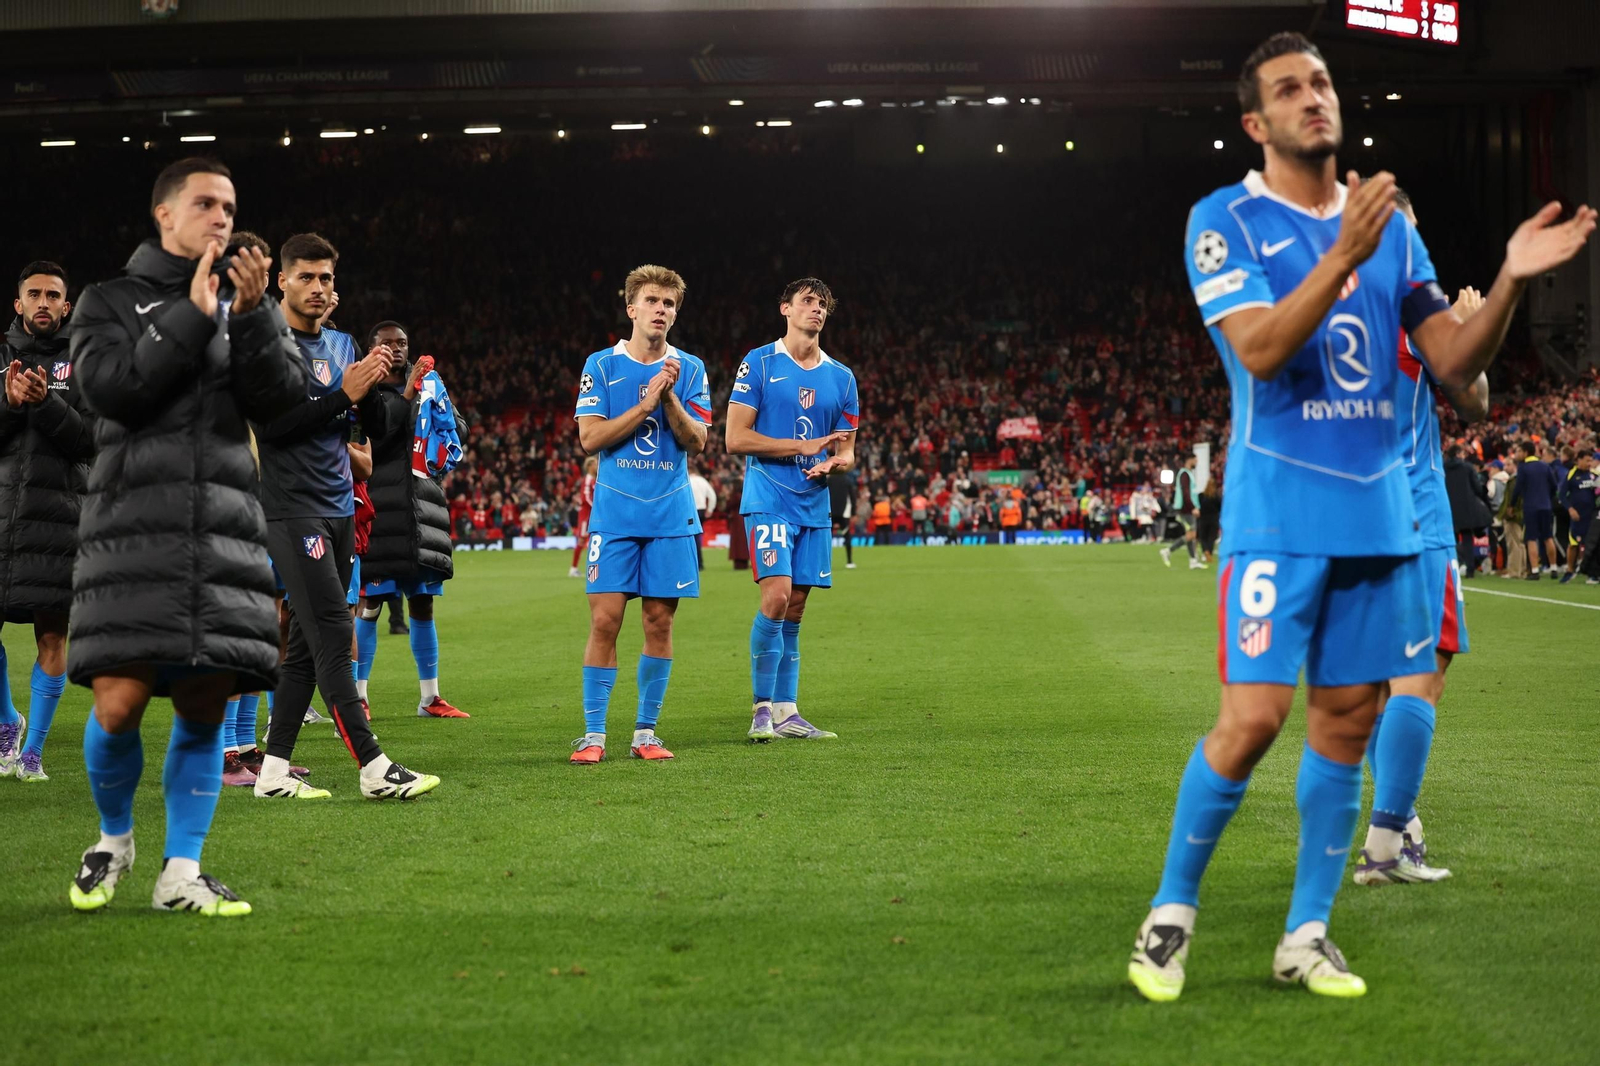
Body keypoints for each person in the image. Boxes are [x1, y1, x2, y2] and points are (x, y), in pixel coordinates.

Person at [1130, 32, 1594, 1003]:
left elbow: (1454, 363)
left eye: (1323, 83)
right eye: (1290, 89)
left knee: (1345, 722)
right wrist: (1343, 251)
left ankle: (1306, 933)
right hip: (1278, 513)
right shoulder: (1223, 220)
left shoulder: (1398, 230)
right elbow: (1257, 349)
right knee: (1252, 720)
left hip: (1382, 522)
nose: (1314, 99)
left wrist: (1509, 280)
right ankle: (1170, 915)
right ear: (1256, 122)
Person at [66, 156, 310, 915]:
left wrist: (258, 309)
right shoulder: (107, 300)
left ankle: (182, 871)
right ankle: (114, 838)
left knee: (205, 701)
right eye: (206, 203)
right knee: (118, 702)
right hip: (131, 530)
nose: (222, 218)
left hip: (225, 533)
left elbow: (281, 401)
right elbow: (112, 393)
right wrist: (193, 315)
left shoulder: (247, 308)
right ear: (164, 215)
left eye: (231, 207)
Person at [251, 233, 439, 800]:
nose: (316, 287)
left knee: (306, 651)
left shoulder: (341, 343)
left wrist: (378, 387)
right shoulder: (265, 345)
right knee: (336, 634)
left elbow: (379, 431)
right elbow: (275, 425)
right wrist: (343, 393)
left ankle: (274, 771)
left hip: (338, 508)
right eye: (305, 277)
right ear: (280, 281)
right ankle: (373, 767)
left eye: (326, 278)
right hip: (291, 510)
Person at [1354, 251, 1489, 888]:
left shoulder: (1333, 310)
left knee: (1379, 687)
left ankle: (1399, 828)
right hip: (1414, 513)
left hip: (1348, 518)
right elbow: (1475, 404)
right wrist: (1466, 333)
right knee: (1425, 674)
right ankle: (1389, 842)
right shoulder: (1415, 314)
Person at [570, 265, 712, 764]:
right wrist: (646, 400)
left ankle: (646, 733)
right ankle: (592, 735)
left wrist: (669, 395)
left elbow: (697, 440)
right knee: (606, 620)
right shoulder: (602, 366)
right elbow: (590, 438)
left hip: (670, 516)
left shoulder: (690, 368)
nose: (661, 310)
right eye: (652, 301)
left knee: (658, 622)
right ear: (631, 308)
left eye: (669, 304)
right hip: (614, 513)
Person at [726, 277, 859, 742]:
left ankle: (788, 710)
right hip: (769, 495)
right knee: (777, 595)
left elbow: (848, 452)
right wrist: (798, 446)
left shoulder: (842, 378)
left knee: (797, 608)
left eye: (823, 303)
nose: (816, 309)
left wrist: (834, 464)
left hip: (813, 502)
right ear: (785, 308)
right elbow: (735, 438)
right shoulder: (759, 362)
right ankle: (761, 709)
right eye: (807, 301)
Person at [0, 261, 93, 783]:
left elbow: (93, 440)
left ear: (66, 306)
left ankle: (31, 753)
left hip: (59, 522)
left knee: (52, 638)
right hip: (1, 516)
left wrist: (45, 403)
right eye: (32, 293)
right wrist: (9, 403)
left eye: (52, 294)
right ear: (18, 304)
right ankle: (5, 725)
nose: (42, 302)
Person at [356, 320, 469, 719]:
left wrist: (439, 407)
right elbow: (377, 438)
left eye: (402, 342)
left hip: (422, 514)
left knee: (422, 604)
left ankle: (430, 697)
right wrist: (407, 393)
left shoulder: (428, 389)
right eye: (387, 343)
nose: (397, 349)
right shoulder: (362, 390)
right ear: (371, 349)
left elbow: (457, 433)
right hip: (380, 515)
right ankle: (359, 698)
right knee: (368, 605)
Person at [1510, 441, 1561, 579]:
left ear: (1526, 452)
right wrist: (1547, 498)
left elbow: (1518, 488)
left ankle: (1534, 570)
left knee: (1531, 538)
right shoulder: (1545, 466)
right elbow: (1554, 486)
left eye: (1519, 451)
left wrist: (1511, 505)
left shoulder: (1524, 468)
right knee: (1548, 537)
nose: (1517, 454)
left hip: (1531, 507)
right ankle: (1554, 568)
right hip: (1545, 505)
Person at [1158, 455, 1203, 569]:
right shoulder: (1184, 474)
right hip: (1186, 509)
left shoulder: (1186, 474)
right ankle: (1168, 550)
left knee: (1189, 535)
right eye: (1195, 459)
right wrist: (1193, 507)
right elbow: (1186, 493)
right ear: (1189, 460)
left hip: (1186, 508)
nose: (1197, 462)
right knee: (1192, 534)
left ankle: (1193, 561)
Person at [1560, 451, 1598, 582]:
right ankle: (1570, 570)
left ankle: (1590, 571)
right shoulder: (1571, 475)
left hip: (1592, 516)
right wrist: (1570, 509)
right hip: (1577, 516)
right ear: (1579, 460)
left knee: (1593, 544)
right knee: (1573, 544)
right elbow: (1562, 495)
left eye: (1590, 461)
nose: (1589, 464)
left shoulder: (1594, 475)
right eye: (1587, 461)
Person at [568, 455, 597, 577]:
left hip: (592, 514)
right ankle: (573, 569)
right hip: (586, 515)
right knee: (582, 540)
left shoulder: (595, 479)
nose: (597, 466)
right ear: (590, 466)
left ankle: (585, 568)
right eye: (595, 464)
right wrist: (596, 507)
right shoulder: (588, 480)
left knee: (593, 540)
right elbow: (585, 498)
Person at [689, 461, 716, 572]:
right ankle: (700, 563)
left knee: (690, 538)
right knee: (698, 537)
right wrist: (710, 509)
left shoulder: (687, 480)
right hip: (701, 510)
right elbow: (712, 495)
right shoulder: (702, 481)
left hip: (689, 511)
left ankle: (692, 563)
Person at [829, 468, 858, 569]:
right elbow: (852, 497)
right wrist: (853, 512)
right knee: (847, 537)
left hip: (830, 513)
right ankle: (849, 562)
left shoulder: (829, 480)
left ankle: (824, 563)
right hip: (844, 513)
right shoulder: (847, 480)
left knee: (827, 538)